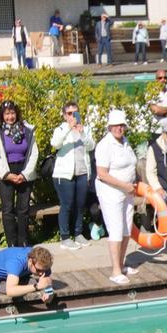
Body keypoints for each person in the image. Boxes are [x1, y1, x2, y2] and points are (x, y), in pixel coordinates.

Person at [94, 109, 141, 284]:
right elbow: (102, 174)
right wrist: (125, 186)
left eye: (121, 125)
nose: (118, 128)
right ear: (109, 127)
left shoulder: (126, 142)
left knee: (127, 229)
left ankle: (121, 265)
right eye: (115, 125)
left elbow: (131, 165)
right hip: (110, 191)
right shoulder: (104, 145)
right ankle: (115, 271)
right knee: (116, 229)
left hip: (127, 191)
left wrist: (135, 184)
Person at [0, 100, 40, 249]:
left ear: (17, 113)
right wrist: (6, 174)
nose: (10, 116)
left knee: (23, 208)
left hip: (24, 171)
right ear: (2, 115)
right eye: (7, 114)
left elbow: (34, 153)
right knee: (8, 209)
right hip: (5, 173)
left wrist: (25, 174)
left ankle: (23, 241)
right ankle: (11, 242)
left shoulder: (27, 130)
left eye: (12, 113)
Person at [50, 102, 95, 249]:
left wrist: (82, 132)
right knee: (67, 205)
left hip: (82, 172)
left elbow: (91, 146)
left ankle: (78, 233)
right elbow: (55, 143)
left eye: (75, 112)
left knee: (80, 205)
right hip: (64, 174)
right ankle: (65, 236)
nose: (72, 116)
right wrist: (69, 128)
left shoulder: (86, 128)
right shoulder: (61, 129)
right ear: (64, 115)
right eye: (69, 113)